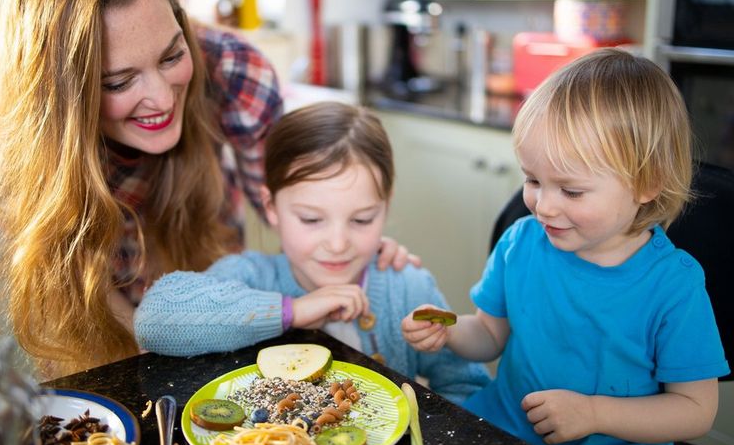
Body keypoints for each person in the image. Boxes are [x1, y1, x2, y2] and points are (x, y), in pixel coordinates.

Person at [0, 0, 412, 378]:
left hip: (216, 299)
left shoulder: (233, 71)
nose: (161, 98)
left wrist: (346, 238)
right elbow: (71, 281)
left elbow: (291, 209)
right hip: (97, 323)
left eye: (172, 55)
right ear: (61, 93)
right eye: (118, 82)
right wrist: (159, 334)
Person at [402, 49, 730, 445]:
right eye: (533, 179)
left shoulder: (673, 286)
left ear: (647, 183)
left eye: (571, 191)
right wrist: (446, 327)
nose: (543, 207)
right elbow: (489, 335)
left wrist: (594, 413)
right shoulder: (521, 242)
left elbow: (695, 411)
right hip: (504, 430)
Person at [134, 102, 491, 404]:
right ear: (271, 207)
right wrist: (292, 311)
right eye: (311, 219)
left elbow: (467, 388)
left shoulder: (408, 288)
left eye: (362, 219)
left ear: (386, 206)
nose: (337, 243)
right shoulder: (250, 277)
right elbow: (154, 319)